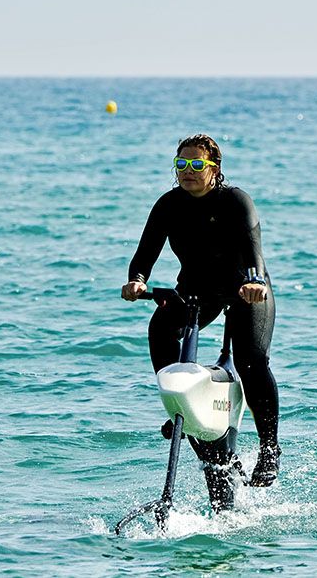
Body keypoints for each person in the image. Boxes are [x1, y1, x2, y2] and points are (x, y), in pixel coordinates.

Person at [121, 133, 281, 510]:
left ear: (214, 169)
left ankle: (270, 449)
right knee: (161, 325)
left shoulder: (236, 201)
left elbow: (253, 251)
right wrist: (137, 281)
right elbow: (144, 255)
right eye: (181, 165)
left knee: (250, 360)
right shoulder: (169, 205)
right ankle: (180, 404)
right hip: (196, 292)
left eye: (196, 165)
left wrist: (254, 281)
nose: (187, 172)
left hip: (246, 289)